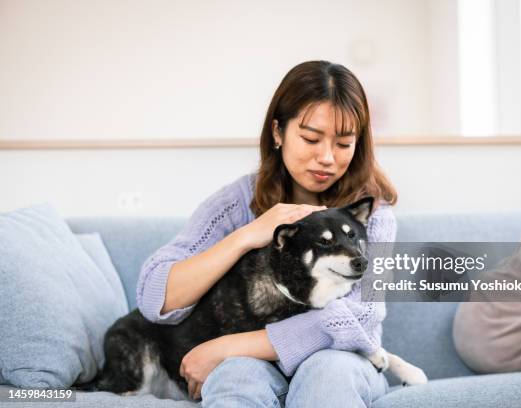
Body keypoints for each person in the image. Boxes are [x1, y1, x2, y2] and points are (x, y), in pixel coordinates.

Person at [136, 60, 398, 407]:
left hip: (344, 361)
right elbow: (155, 296)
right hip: (261, 365)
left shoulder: (373, 216)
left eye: (344, 143)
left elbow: (358, 318)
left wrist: (226, 346)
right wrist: (248, 235)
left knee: (325, 374)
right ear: (278, 132)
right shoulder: (237, 203)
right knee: (234, 376)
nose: (326, 158)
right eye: (311, 138)